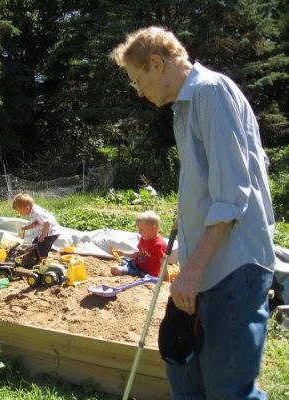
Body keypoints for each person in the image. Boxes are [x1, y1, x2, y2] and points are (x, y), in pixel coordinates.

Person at [110, 26, 275, 400]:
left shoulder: (211, 93)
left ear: (156, 62)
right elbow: (228, 175)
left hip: (232, 266)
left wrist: (193, 269)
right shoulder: (184, 108)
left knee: (229, 391)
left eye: (137, 80)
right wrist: (189, 217)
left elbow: (234, 193)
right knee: (184, 376)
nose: (137, 91)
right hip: (208, 265)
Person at [111, 210, 167, 278]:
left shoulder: (159, 245)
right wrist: (123, 253)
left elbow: (164, 264)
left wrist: (167, 280)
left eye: (141, 230)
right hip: (135, 264)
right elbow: (138, 254)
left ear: (153, 228)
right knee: (117, 265)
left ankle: (126, 269)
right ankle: (127, 266)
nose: (139, 232)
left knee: (116, 269)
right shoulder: (144, 238)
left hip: (144, 272)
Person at [13, 193, 61, 261]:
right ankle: (34, 256)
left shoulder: (37, 213)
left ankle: (42, 262)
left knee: (42, 248)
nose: (20, 214)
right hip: (46, 232)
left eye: (20, 211)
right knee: (35, 244)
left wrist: (42, 236)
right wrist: (27, 227)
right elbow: (36, 223)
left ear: (27, 208)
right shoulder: (32, 211)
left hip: (51, 233)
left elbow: (47, 223)